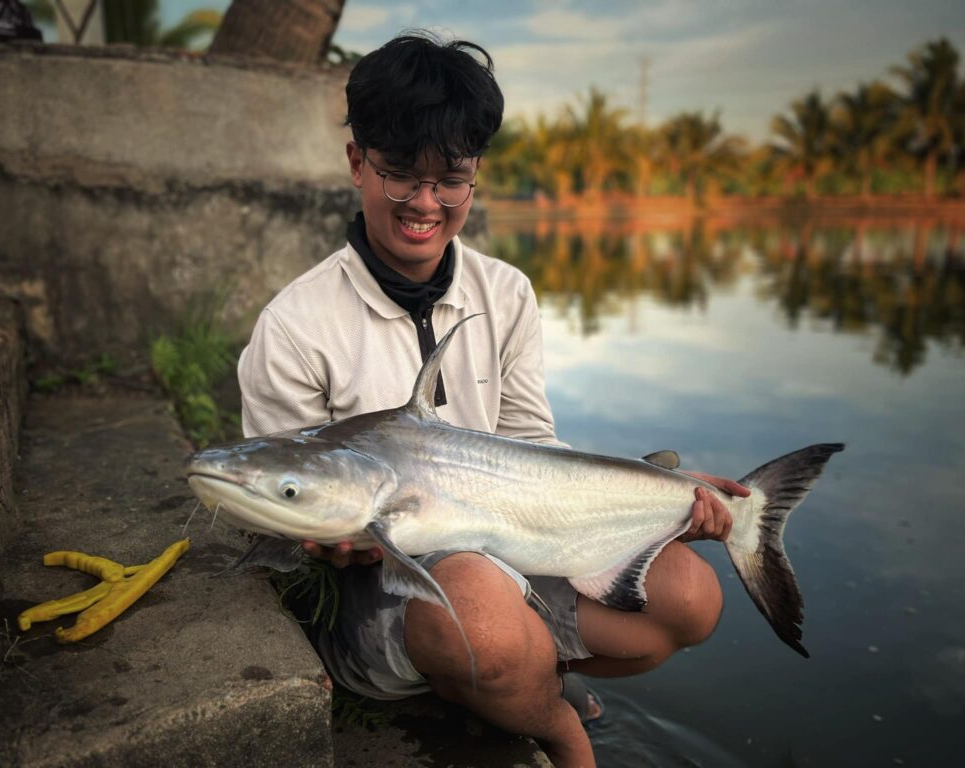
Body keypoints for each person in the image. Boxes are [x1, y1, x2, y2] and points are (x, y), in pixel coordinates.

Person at [237, 32, 748, 768]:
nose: (425, 203)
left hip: (509, 549)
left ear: (475, 176)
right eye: (399, 175)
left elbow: (534, 446)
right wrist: (322, 537)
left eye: (451, 180)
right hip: (379, 597)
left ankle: (516, 676)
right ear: (356, 163)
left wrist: (658, 503)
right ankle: (556, 726)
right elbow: (285, 504)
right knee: (478, 608)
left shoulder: (506, 292)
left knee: (691, 601)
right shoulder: (294, 324)